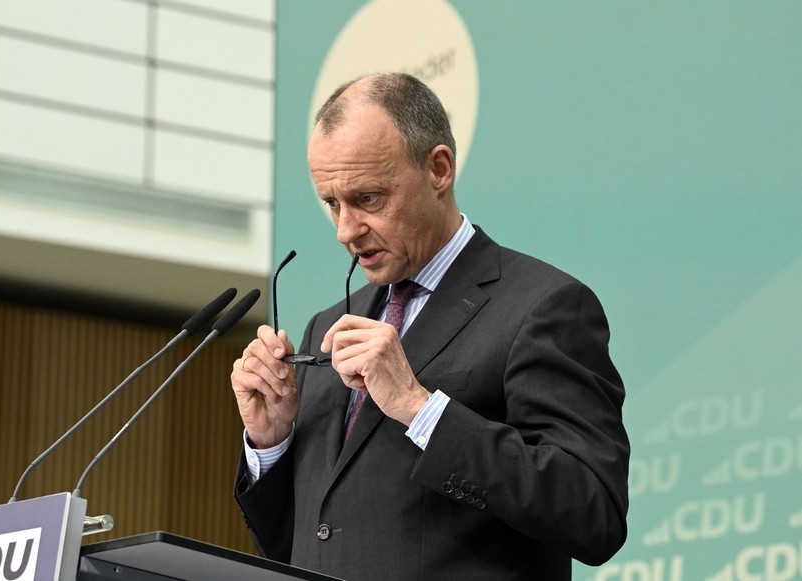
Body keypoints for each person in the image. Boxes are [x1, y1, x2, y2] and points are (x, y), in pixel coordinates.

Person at [230, 72, 629, 580]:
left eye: (369, 198)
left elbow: (593, 511)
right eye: (332, 203)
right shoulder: (323, 330)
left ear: (438, 169)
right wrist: (272, 442)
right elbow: (311, 541)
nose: (344, 230)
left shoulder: (543, 306)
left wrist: (421, 409)